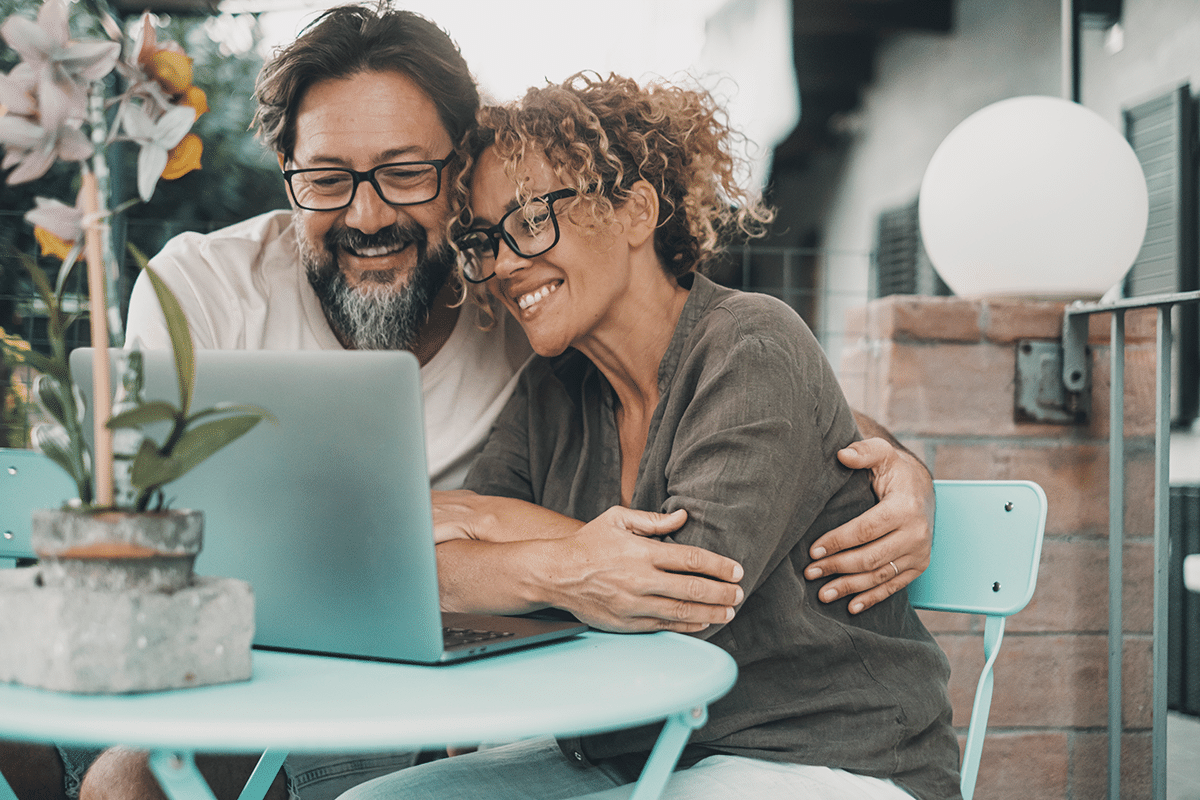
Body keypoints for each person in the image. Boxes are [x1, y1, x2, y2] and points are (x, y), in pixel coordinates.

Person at [0, 6, 933, 800]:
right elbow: (424, 553)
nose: (368, 215)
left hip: (781, 743)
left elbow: (703, 540)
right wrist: (559, 558)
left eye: (406, 173)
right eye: (328, 178)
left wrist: (909, 468)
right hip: (581, 732)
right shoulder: (548, 374)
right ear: (289, 175)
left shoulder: (660, 334)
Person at [336, 72, 960, 800]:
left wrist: (488, 520)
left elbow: (684, 591)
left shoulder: (750, 342)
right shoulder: (553, 391)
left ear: (635, 211)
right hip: (634, 752)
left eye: (531, 219)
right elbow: (448, 584)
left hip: (820, 754)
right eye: (485, 240)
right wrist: (556, 564)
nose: (503, 264)